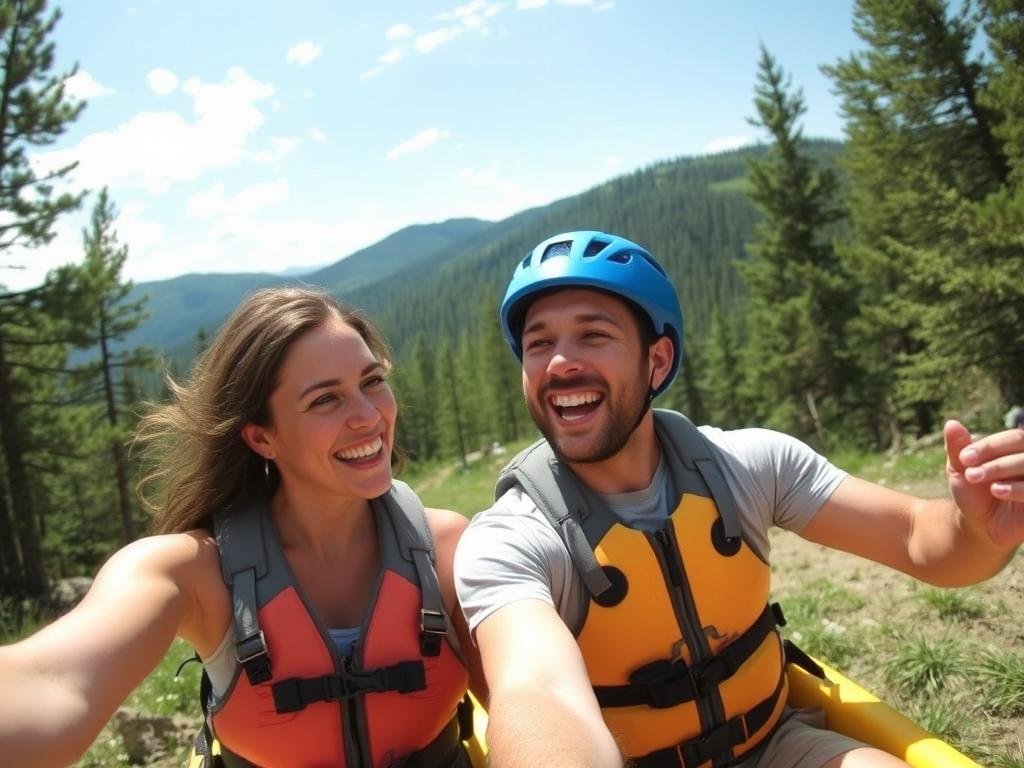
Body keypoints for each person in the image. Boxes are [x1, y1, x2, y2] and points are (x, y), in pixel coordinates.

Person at [454, 231, 1024, 768]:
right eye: (539, 344)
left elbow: (921, 539)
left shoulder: (750, 465)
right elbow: (538, 692)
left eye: (594, 335)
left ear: (657, 361)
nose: (560, 362)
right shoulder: (510, 539)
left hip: (777, 745)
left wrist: (977, 529)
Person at [0, 287, 481, 768]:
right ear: (261, 437)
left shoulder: (446, 549)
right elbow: (52, 682)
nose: (370, 416)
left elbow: (520, 691)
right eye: (325, 400)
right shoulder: (190, 573)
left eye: (372, 381)